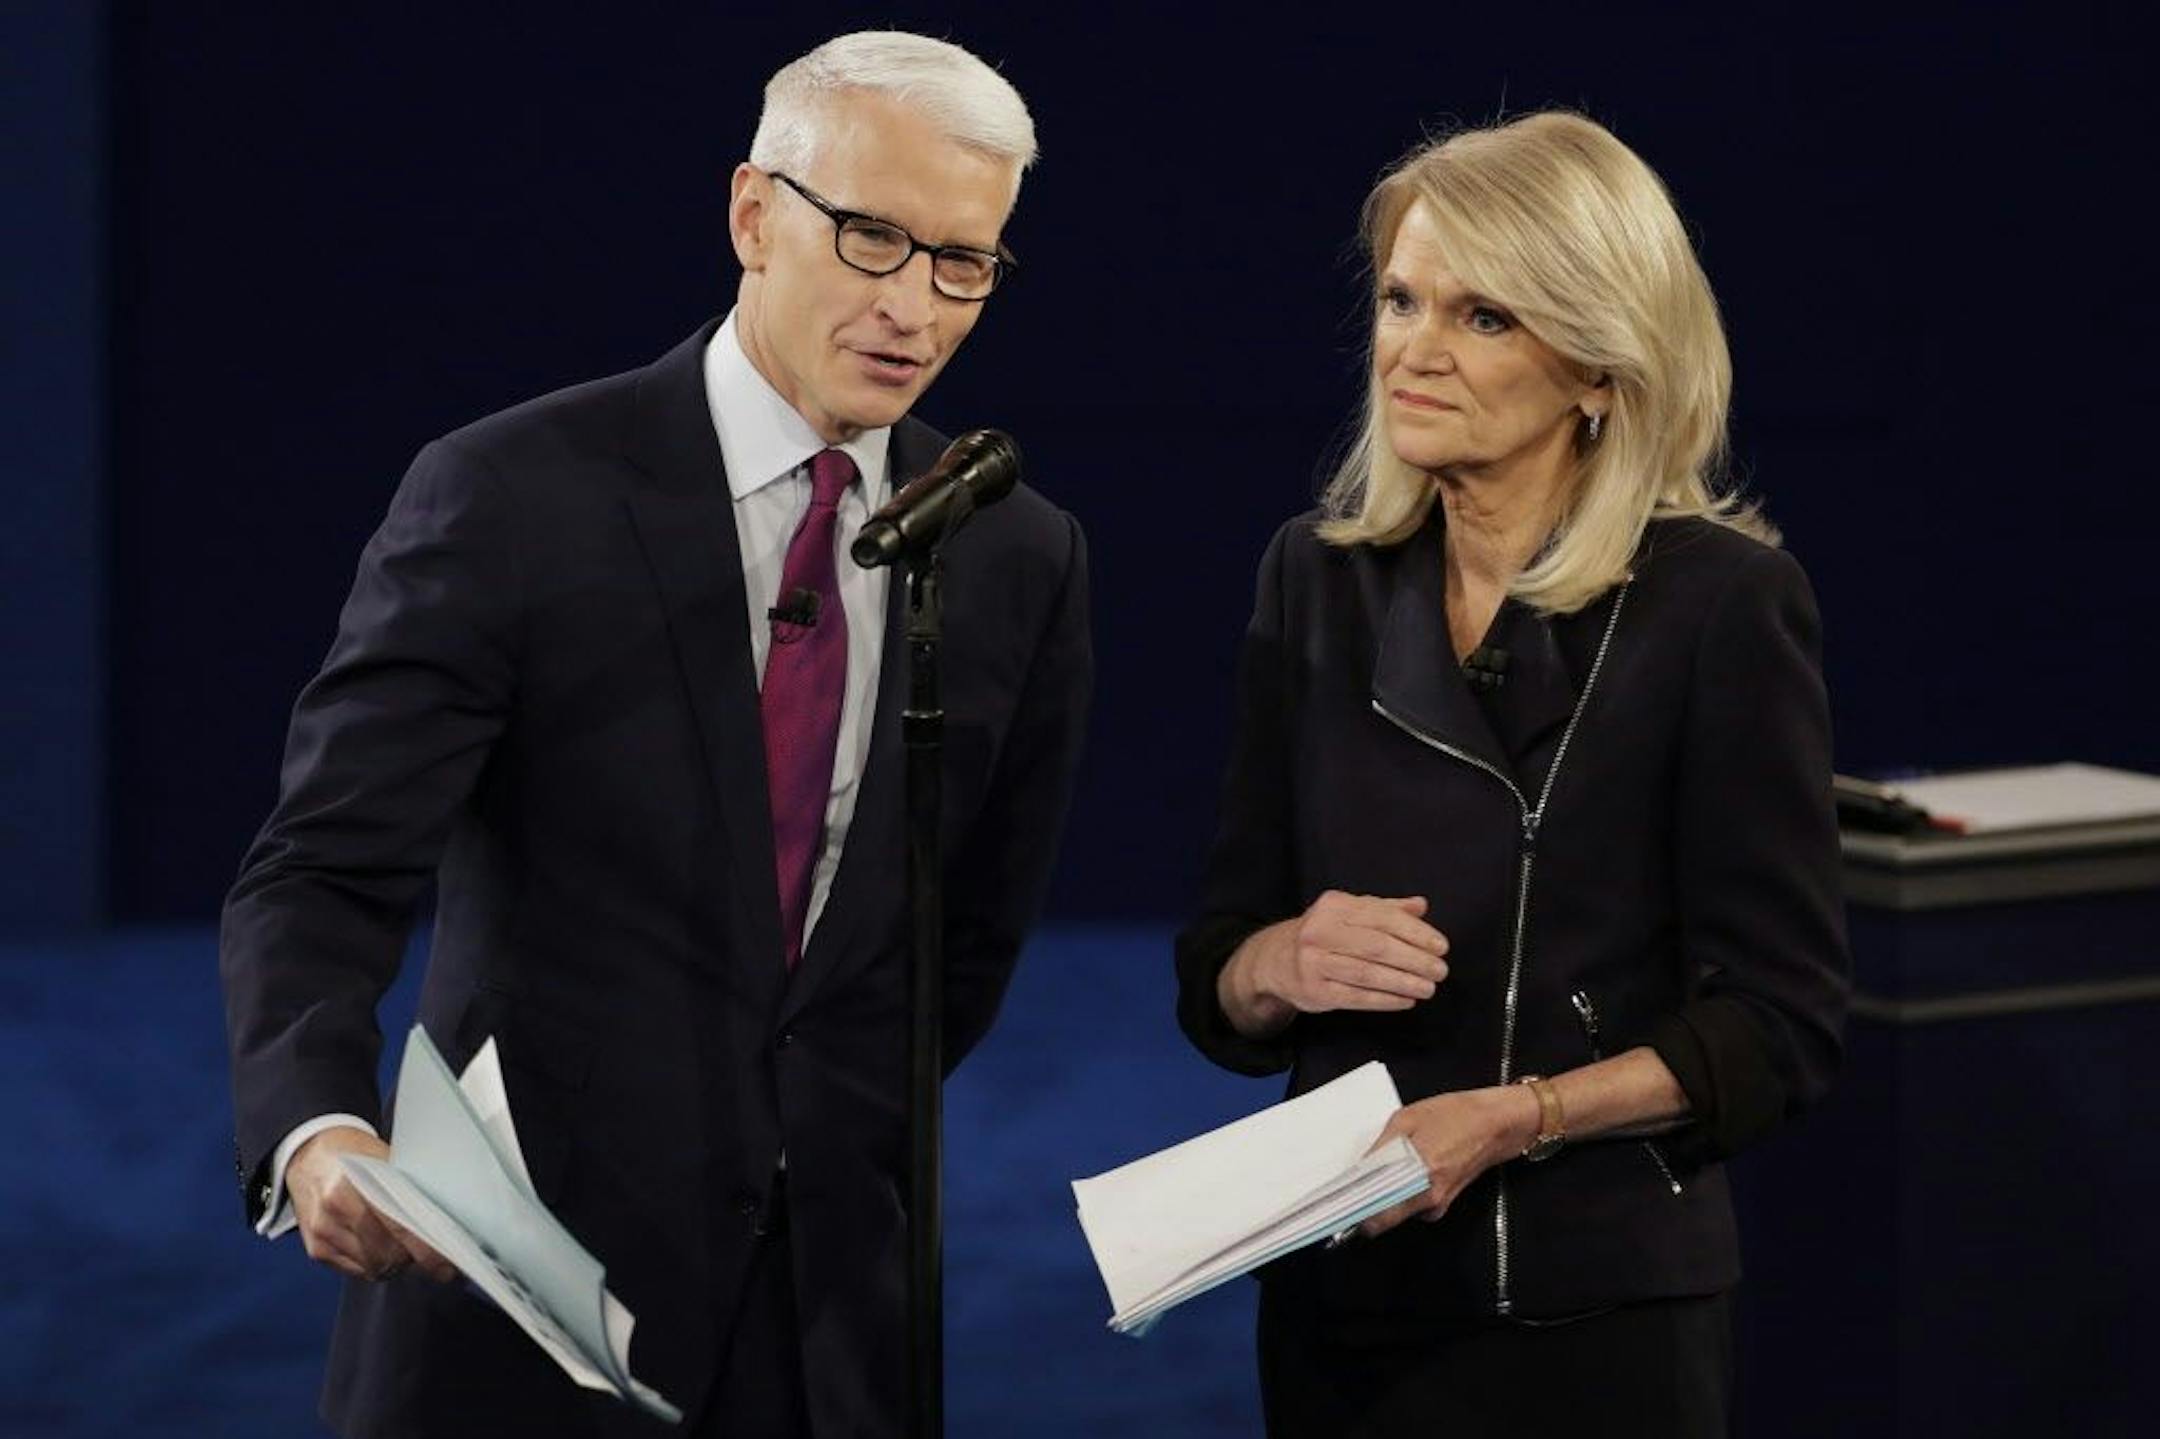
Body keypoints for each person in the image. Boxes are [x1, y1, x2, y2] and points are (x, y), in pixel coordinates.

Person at [219, 31, 1089, 1439]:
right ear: (754, 214)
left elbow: (966, 933)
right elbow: (325, 864)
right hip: (520, 1292)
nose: (915, 308)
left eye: (962, 262)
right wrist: (318, 1125)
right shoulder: (513, 494)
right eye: (872, 239)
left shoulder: (1010, 546)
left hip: (833, 1330)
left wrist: (820, 1124)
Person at [1174, 111, 1847, 1437]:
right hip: (1348, 1305)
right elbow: (1217, 971)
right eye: (1401, 298)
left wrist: (1519, 1116)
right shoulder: (1313, 581)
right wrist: (1275, 964)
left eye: (1484, 317)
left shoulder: (1722, 604)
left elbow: (1780, 1028)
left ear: (1597, 365)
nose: (1414, 349)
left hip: (1601, 1317)